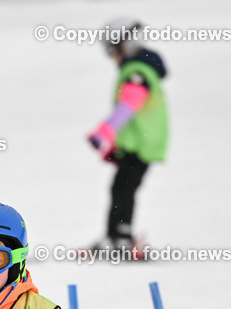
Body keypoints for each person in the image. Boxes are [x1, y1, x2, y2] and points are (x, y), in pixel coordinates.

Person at [87, 18, 169, 256]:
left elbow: (129, 105)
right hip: (140, 142)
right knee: (121, 188)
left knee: (123, 189)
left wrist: (105, 131)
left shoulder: (136, 72)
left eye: (112, 50)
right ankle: (116, 236)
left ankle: (120, 237)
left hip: (141, 145)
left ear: (126, 45)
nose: (111, 57)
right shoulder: (141, 68)